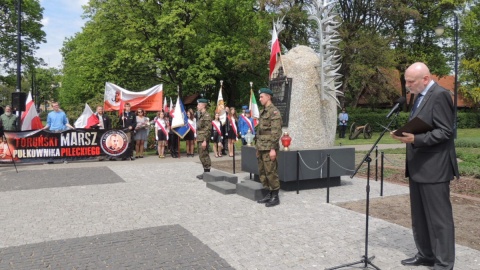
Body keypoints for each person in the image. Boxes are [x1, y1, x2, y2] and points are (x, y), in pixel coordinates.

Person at [390, 62, 458, 270]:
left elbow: (446, 131)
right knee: (419, 216)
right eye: (406, 81)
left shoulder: (440, 95)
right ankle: (426, 254)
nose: (407, 85)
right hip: (419, 166)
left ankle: (444, 263)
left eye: (411, 81)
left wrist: (416, 139)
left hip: (435, 168)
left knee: (439, 219)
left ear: (425, 79)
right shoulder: (419, 96)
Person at [256, 88, 282, 207]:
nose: (260, 99)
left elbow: (276, 132)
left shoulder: (274, 112)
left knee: (271, 171)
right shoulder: (263, 111)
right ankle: (269, 193)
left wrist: (272, 149)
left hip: (269, 147)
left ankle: (275, 196)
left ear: (268, 97)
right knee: (263, 171)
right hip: (261, 146)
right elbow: (261, 131)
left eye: (262, 97)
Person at [195, 98, 212, 179]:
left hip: (203, 139)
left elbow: (207, 129)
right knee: (201, 155)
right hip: (200, 138)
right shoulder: (201, 115)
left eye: (198, 104)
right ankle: (206, 172)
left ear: (203, 105)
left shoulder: (206, 115)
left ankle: (207, 173)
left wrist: (205, 140)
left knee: (204, 155)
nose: (197, 106)